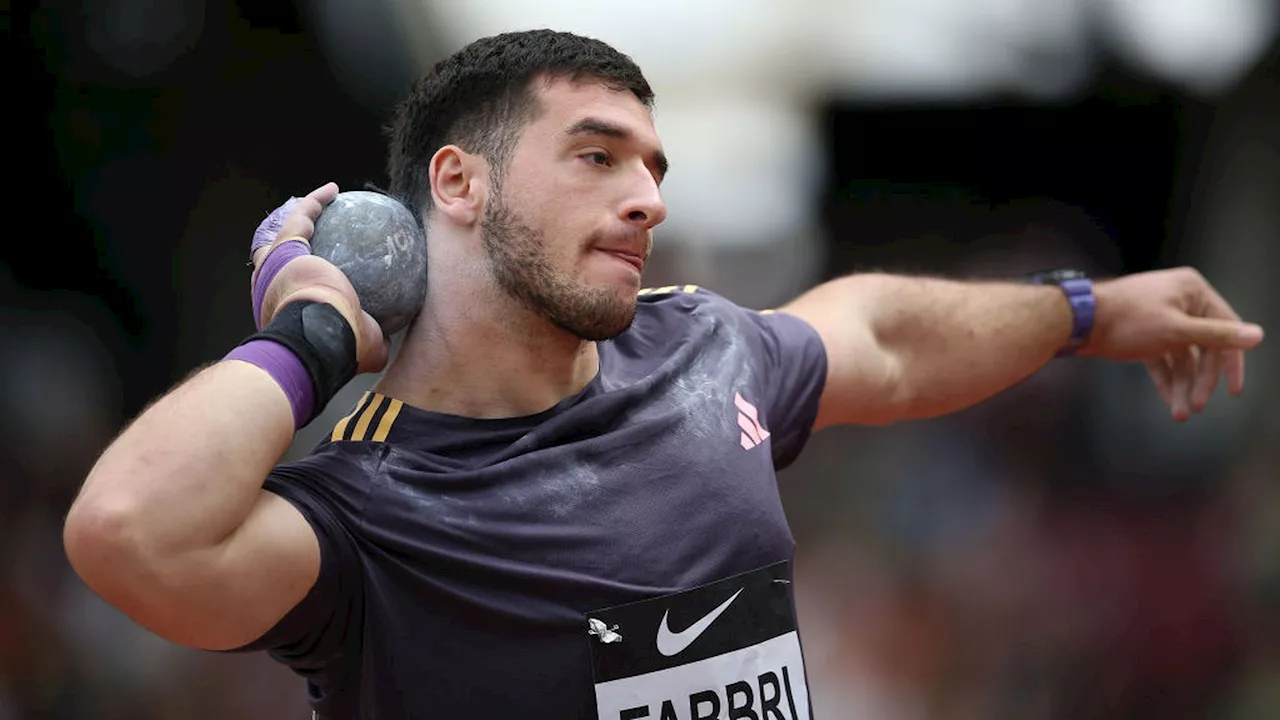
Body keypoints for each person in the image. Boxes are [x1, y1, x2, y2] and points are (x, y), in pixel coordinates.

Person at [62, 29, 1265, 720]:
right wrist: (312, 337)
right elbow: (128, 532)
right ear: (457, 185)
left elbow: (882, 340)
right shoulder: (371, 518)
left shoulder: (700, 354)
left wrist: (1087, 310)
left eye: (651, 163)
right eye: (596, 157)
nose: (647, 196)